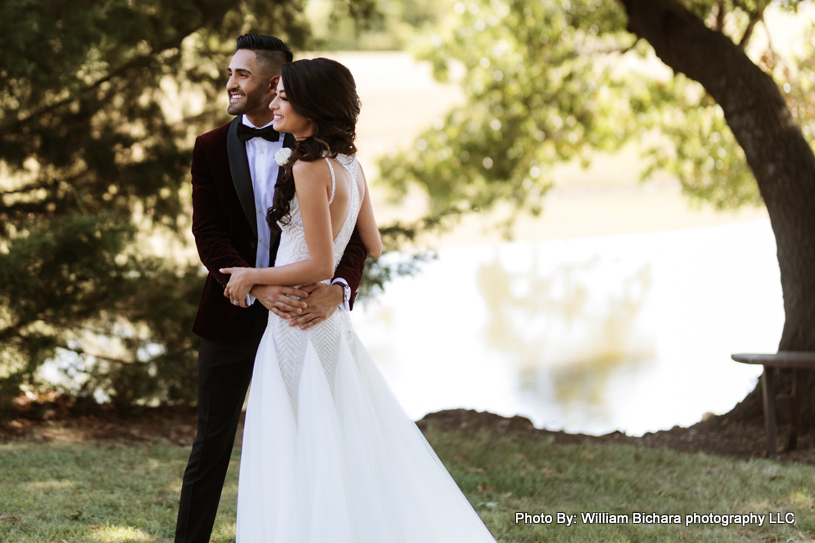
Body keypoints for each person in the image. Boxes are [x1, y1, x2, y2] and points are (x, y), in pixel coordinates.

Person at [221, 57, 498, 542]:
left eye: (284, 96)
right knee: (337, 439)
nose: (274, 102)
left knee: (297, 442)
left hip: (296, 327)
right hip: (328, 327)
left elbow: (321, 265)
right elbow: (373, 243)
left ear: (312, 106)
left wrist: (252, 275)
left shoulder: (308, 166)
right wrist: (331, 285)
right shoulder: (349, 163)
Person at [177, 35, 367, 543]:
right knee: (211, 443)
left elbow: (352, 240)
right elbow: (208, 235)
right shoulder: (211, 147)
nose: (230, 83)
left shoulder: (318, 150)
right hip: (232, 311)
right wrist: (255, 288)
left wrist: (339, 289)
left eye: (242, 75)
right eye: (230, 73)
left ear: (274, 84)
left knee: (315, 435)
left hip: (306, 316)